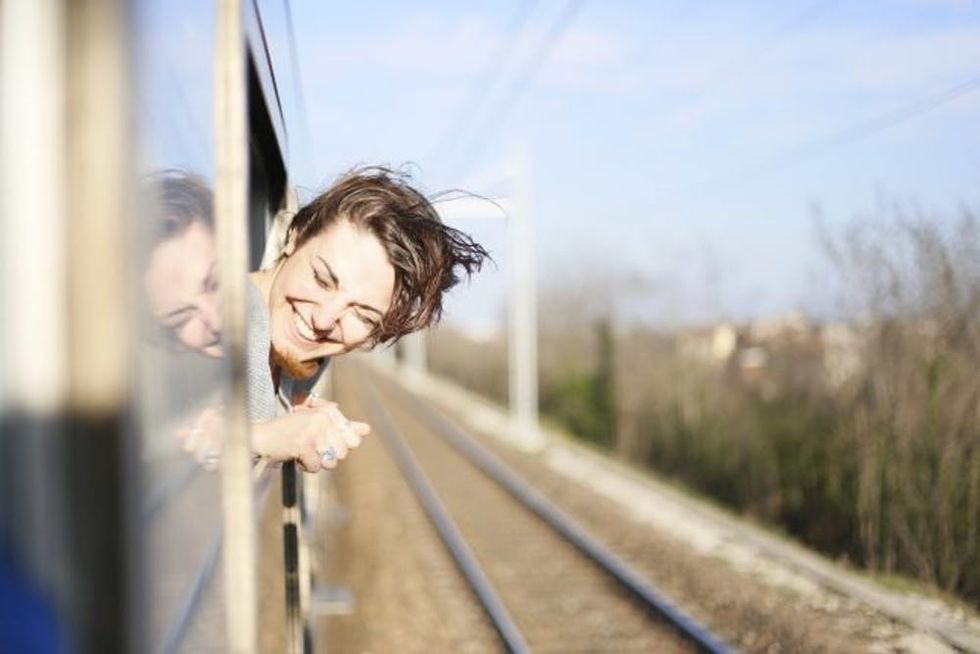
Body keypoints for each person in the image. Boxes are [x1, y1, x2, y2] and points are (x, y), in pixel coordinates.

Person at [247, 166, 489, 472]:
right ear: (296, 236)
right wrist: (258, 439)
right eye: (322, 279)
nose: (324, 319)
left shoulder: (301, 361)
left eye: (362, 315)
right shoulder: (214, 318)